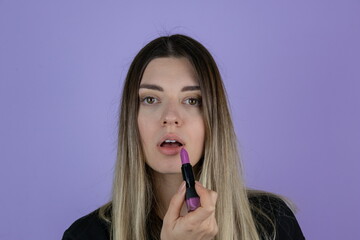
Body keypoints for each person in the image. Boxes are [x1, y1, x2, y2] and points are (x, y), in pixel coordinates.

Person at [62, 34, 305, 240]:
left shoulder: (273, 224)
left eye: (191, 100)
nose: (170, 117)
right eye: (150, 99)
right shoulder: (85, 235)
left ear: (213, 120)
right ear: (131, 120)